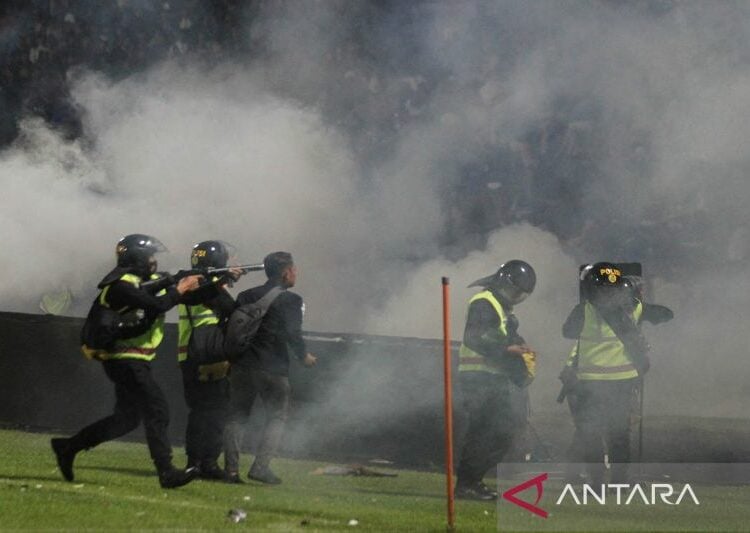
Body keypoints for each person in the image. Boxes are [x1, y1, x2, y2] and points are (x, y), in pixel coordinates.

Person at [51, 234, 203, 489]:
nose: (154, 262)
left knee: (127, 419)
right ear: (139, 259)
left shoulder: (134, 283)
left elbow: (166, 294)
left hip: (129, 359)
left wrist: (213, 280)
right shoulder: (121, 285)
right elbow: (156, 304)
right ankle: (166, 472)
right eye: (151, 257)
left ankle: (68, 446)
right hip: (125, 359)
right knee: (157, 410)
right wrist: (179, 287)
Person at [559, 262, 670, 485]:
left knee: (595, 435)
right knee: (615, 436)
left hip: (593, 383)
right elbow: (665, 314)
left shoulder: (586, 310)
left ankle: (600, 482)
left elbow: (568, 332)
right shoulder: (629, 309)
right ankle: (616, 482)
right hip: (616, 382)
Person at [223, 251, 317, 485]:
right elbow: (293, 333)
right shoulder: (292, 300)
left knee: (237, 415)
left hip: (242, 365)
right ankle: (260, 467)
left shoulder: (246, 295)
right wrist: (303, 356)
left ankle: (231, 471)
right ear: (286, 272)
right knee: (277, 416)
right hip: (272, 367)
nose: (296, 274)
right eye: (294, 269)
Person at [455, 259, 537, 500]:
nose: (516, 297)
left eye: (520, 294)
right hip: (478, 378)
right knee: (487, 432)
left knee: (499, 431)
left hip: (491, 378)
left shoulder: (500, 308)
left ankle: (471, 481)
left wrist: (520, 348)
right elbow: (475, 337)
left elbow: (504, 337)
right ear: (503, 283)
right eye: (515, 291)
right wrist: (508, 349)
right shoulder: (484, 302)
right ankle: (467, 483)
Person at [177, 240, 244, 481]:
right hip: (206, 355)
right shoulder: (202, 284)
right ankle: (203, 462)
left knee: (203, 412)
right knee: (213, 411)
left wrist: (224, 279)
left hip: (191, 354)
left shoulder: (195, 282)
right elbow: (231, 308)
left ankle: (198, 462)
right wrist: (225, 280)